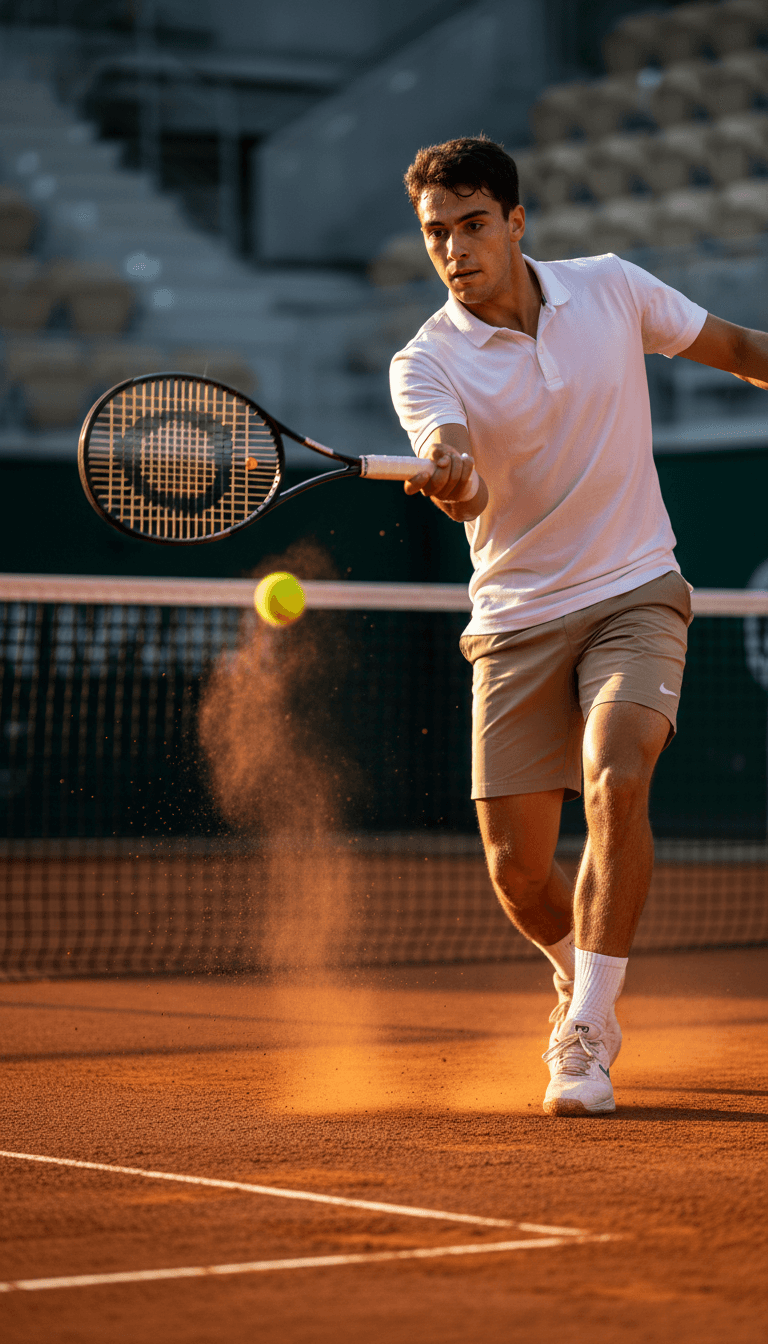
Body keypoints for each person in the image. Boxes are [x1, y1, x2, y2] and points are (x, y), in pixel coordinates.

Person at [390, 135, 768, 1116]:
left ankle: (590, 1032)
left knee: (619, 772)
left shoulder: (610, 287)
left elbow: (738, 350)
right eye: (438, 234)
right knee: (519, 871)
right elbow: (452, 455)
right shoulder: (424, 362)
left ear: (517, 222)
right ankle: (575, 972)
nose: (457, 249)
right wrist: (455, 476)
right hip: (516, 620)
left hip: (636, 587)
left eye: (475, 225)